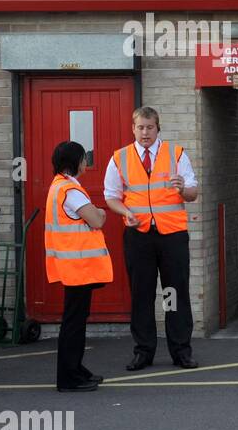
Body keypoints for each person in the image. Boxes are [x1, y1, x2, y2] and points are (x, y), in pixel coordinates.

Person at [104, 106, 200, 370]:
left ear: (158, 128)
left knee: (174, 294)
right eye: (140, 127)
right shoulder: (119, 158)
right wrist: (125, 212)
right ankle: (143, 352)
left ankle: (181, 351)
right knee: (142, 294)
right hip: (139, 235)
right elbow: (111, 196)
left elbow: (193, 193)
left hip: (172, 235)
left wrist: (184, 189)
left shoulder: (176, 154)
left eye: (150, 127)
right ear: (133, 129)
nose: (145, 132)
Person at [45, 141, 113, 392]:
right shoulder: (70, 191)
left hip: (73, 266)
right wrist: (101, 215)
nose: (86, 162)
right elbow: (96, 219)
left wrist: (96, 214)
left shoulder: (59, 187)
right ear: (75, 162)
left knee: (75, 320)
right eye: (84, 158)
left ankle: (76, 369)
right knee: (74, 322)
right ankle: (68, 377)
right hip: (78, 268)